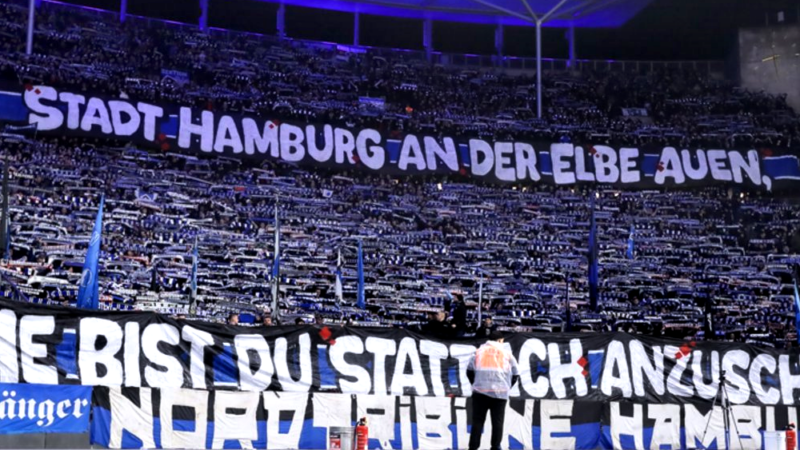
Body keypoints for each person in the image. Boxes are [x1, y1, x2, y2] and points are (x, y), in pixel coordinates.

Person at [467, 330, 519, 450]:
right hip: (500, 393)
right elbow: (516, 374)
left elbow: (469, 371)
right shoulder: (507, 354)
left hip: (480, 392)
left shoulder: (478, 352)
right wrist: (507, 387)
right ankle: (495, 447)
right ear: (500, 340)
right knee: (497, 422)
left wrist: (476, 384)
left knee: (478, 421)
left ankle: (473, 447)